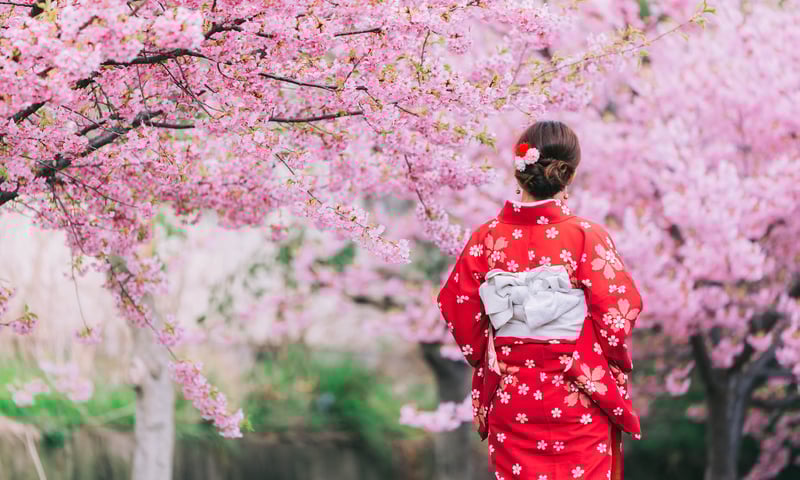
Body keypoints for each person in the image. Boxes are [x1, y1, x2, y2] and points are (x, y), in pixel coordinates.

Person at [438, 120, 643, 480]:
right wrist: (597, 364)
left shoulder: (486, 238)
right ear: (569, 175)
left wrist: (498, 357)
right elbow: (616, 317)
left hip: (513, 395)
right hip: (576, 394)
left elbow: (458, 308)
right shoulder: (586, 236)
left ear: (519, 172)